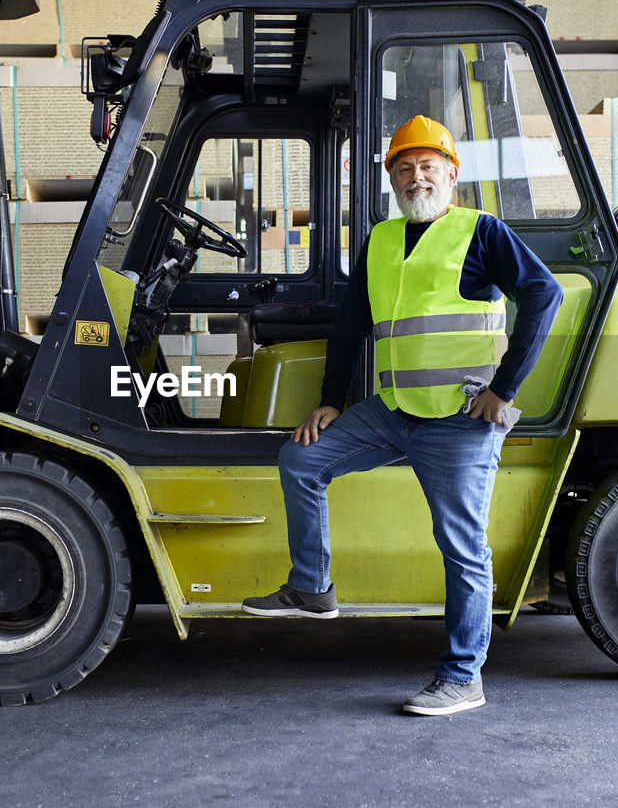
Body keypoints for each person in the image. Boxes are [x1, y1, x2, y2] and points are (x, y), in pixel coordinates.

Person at [241, 115, 563, 716]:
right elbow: (350, 327)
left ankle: (464, 677)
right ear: (392, 178)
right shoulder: (383, 240)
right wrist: (332, 400)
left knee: (462, 547)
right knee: (302, 457)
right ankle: (312, 588)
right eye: (405, 168)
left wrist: (505, 388)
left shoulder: (481, 232)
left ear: (451, 176)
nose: (417, 177)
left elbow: (544, 293)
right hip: (392, 413)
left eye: (428, 167)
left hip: (459, 421)